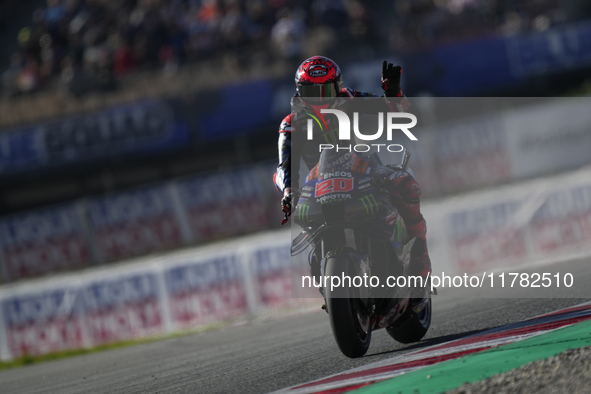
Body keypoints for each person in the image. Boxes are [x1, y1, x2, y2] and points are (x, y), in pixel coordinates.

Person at [274, 55, 431, 300]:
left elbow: (397, 110)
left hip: (365, 169)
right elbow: (284, 167)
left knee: (407, 184)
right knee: (308, 228)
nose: (319, 99)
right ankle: (330, 289)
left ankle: (419, 250)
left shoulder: (350, 99)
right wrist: (288, 192)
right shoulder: (291, 124)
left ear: (338, 87)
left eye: (325, 90)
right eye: (311, 91)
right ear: (299, 91)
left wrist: (393, 92)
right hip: (319, 185)